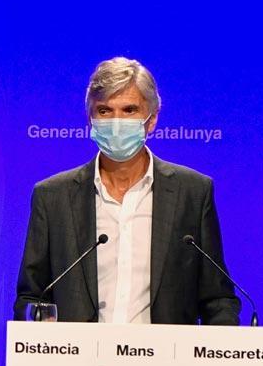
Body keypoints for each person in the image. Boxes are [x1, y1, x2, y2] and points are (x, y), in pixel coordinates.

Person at [14, 57, 239, 325]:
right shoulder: (53, 197)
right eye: (105, 111)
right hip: (78, 363)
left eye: (129, 110)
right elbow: (31, 297)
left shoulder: (192, 192)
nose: (116, 122)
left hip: (164, 364)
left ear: (152, 119)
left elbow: (217, 299)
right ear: (91, 119)